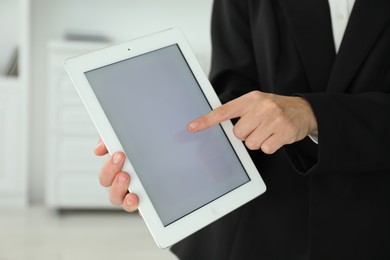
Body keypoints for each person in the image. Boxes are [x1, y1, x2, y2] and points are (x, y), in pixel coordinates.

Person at [94, 0, 390, 259]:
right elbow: (233, 88)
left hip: (375, 225)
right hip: (260, 223)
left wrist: (314, 114)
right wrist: (170, 146)